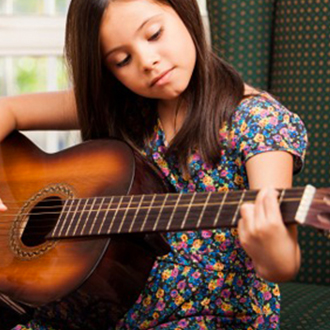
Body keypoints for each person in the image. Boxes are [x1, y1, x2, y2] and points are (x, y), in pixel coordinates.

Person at [0, 0, 307, 329]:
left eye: (154, 34)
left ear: (184, 12)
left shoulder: (258, 121)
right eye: (122, 60)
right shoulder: (123, 105)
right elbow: (9, 109)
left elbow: (282, 263)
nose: (147, 62)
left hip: (211, 317)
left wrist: (273, 249)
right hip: (100, 308)